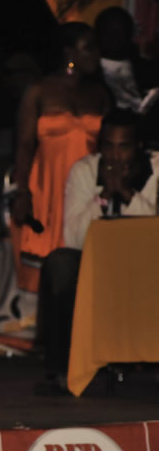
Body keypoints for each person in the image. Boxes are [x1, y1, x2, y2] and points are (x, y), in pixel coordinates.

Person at [35, 109, 158, 393]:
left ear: (139, 146)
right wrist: (103, 197)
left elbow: (154, 229)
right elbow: (73, 237)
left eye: (124, 146)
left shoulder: (157, 170)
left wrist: (127, 194)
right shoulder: (84, 171)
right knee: (60, 264)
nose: (115, 156)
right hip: (98, 262)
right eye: (108, 146)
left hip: (147, 262)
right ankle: (63, 367)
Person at [11, 22, 111, 291]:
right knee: (46, 276)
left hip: (86, 189)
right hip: (47, 189)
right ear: (69, 52)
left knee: (83, 270)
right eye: (88, 48)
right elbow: (24, 145)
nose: (96, 55)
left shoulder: (99, 94)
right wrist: (22, 193)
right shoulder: (39, 91)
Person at [95, 6, 159, 148]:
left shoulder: (148, 70)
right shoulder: (90, 72)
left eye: (120, 31)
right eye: (109, 31)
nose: (115, 38)